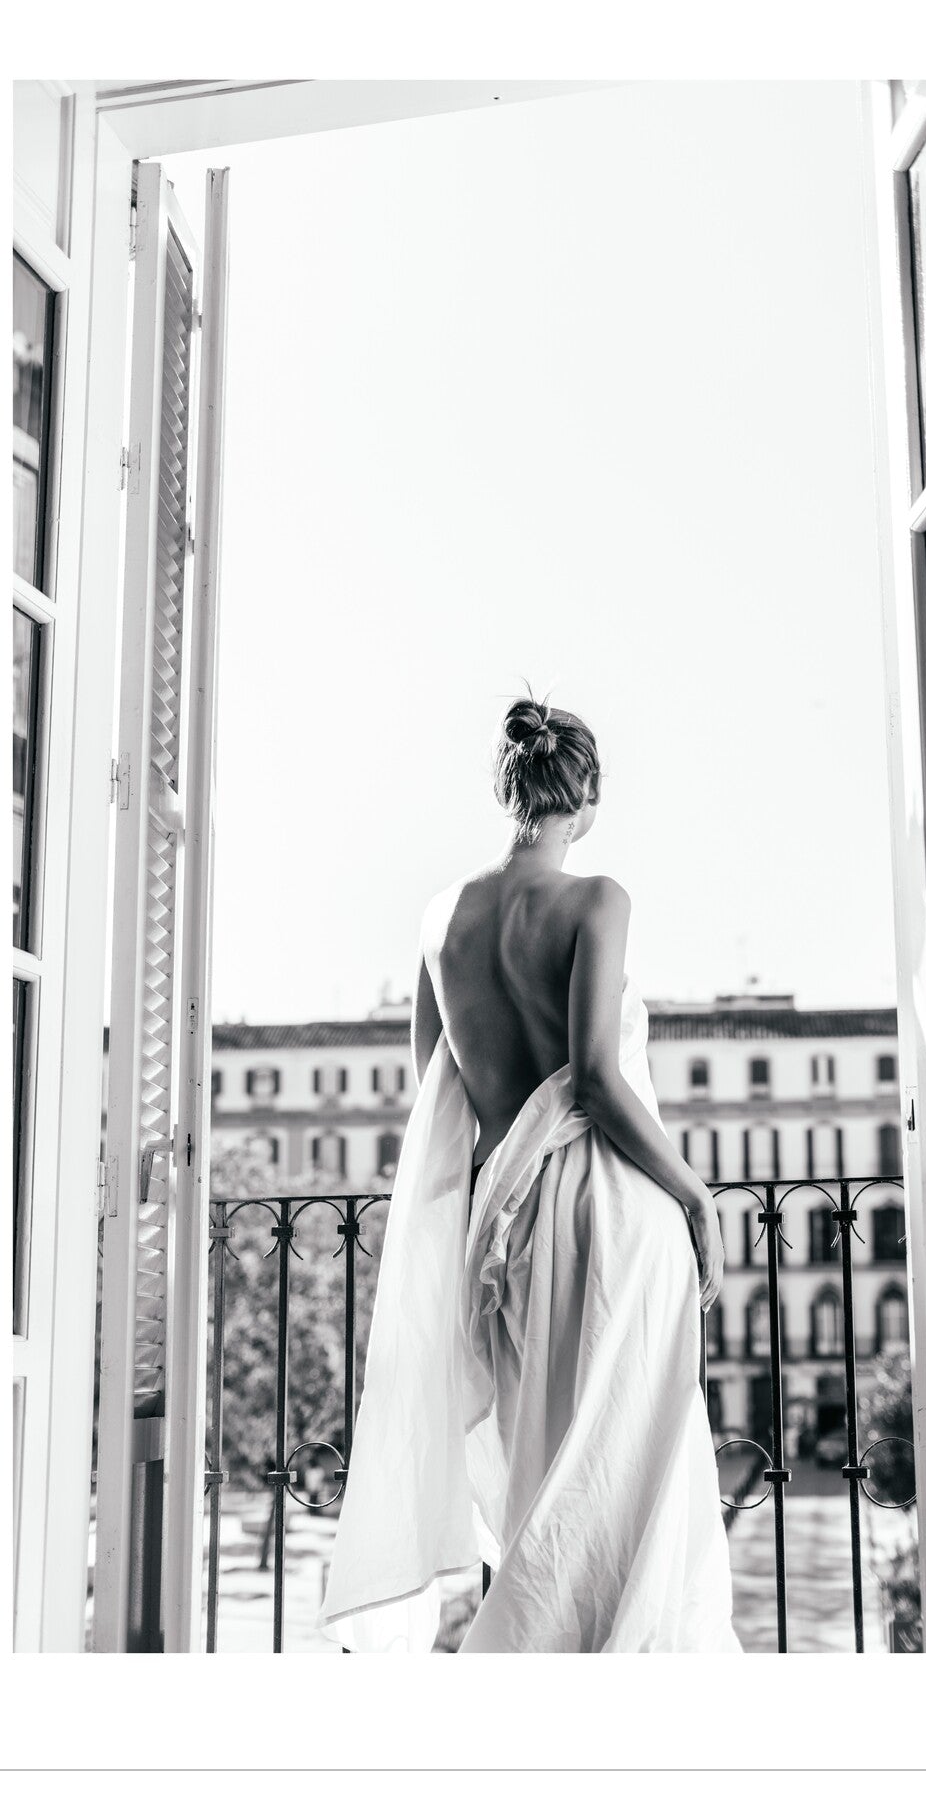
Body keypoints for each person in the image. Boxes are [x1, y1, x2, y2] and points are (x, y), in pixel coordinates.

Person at [319, 692, 741, 1652]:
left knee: (546, 1462)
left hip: (504, 1217)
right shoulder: (599, 900)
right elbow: (593, 1075)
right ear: (583, 796)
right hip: (608, 1206)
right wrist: (692, 1190)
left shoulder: (441, 918)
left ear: (507, 790)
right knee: (628, 1455)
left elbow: (435, 1090)